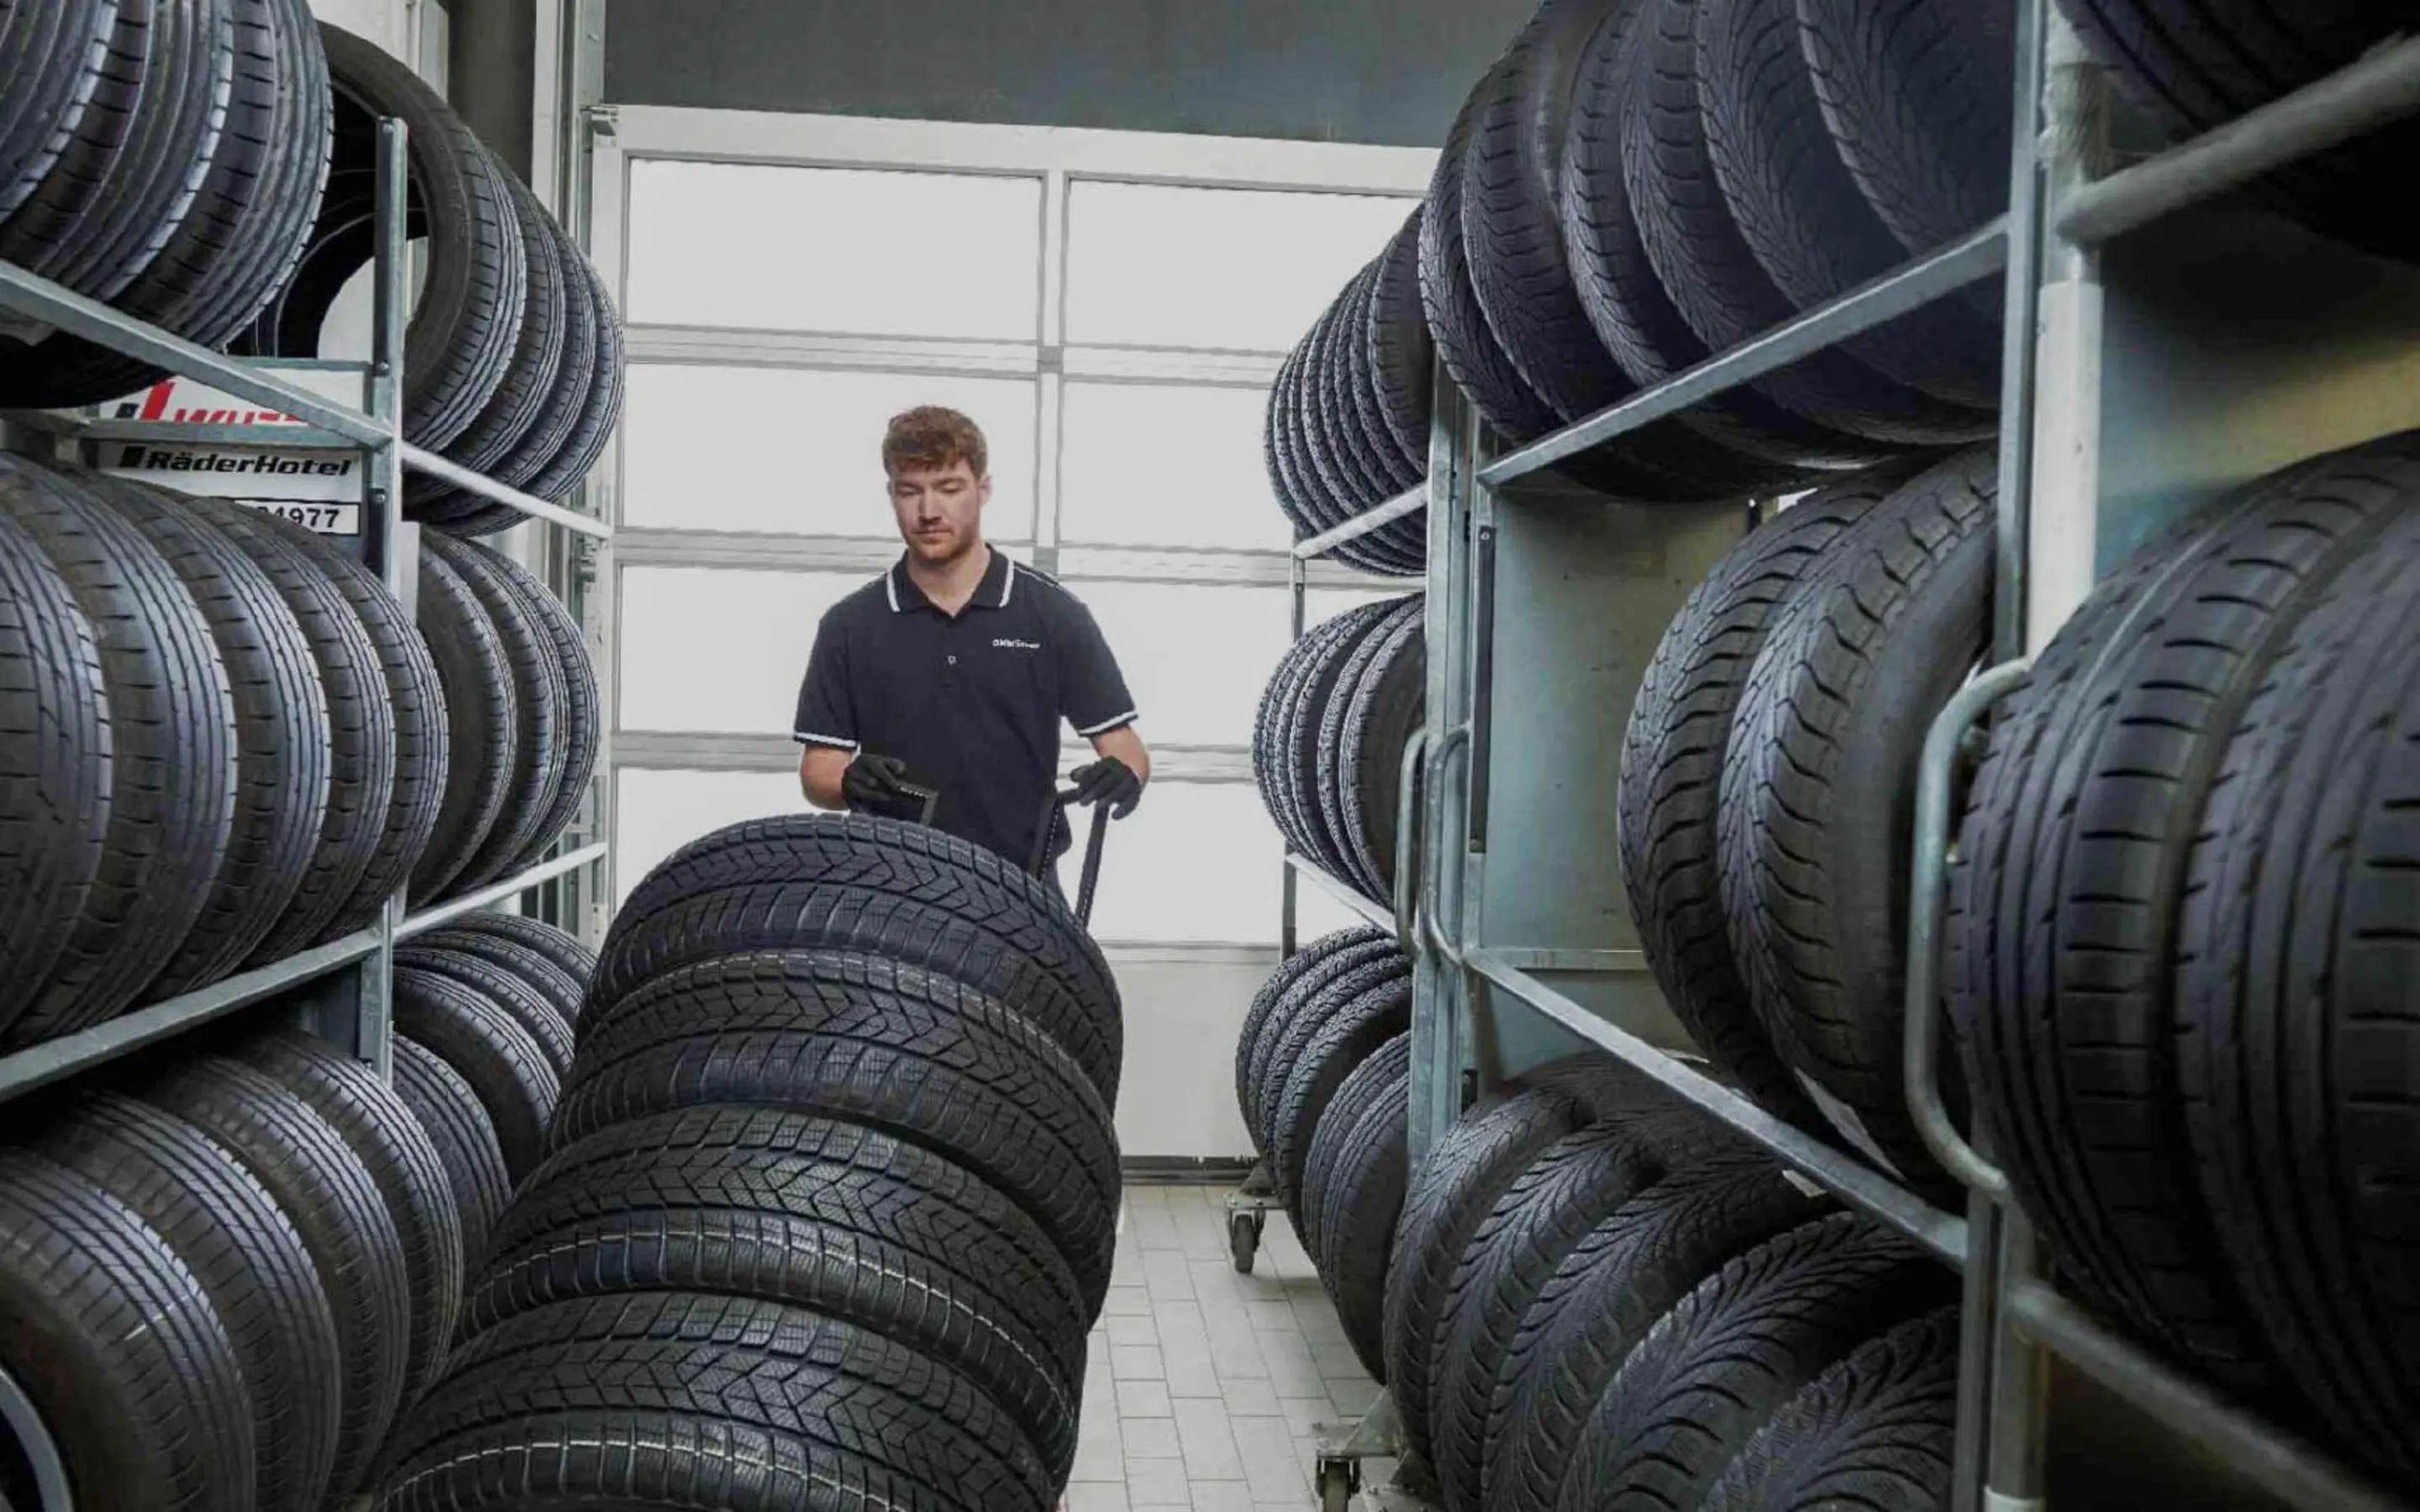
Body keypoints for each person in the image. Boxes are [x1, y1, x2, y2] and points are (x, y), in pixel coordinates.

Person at [794, 405, 1150, 877]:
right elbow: (818, 772)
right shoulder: (851, 625)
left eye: (948, 489)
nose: (928, 511)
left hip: (1023, 888)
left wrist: (1123, 774)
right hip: (890, 890)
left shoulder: (1051, 614)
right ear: (891, 495)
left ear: (983, 490)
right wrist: (848, 780)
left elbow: (1124, 746)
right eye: (910, 492)